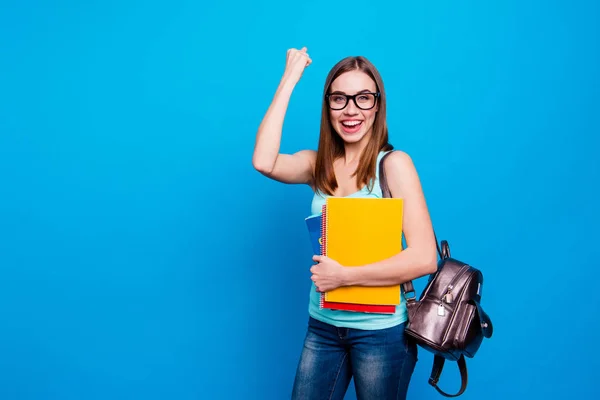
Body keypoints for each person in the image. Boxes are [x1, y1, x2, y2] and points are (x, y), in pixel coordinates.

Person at [252, 47, 438, 400]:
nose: (351, 109)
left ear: (377, 106)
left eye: (363, 98)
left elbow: (424, 258)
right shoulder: (317, 165)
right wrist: (290, 79)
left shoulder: (394, 165)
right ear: (328, 106)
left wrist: (344, 276)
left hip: (381, 334)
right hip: (323, 328)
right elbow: (263, 161)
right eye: (339, 99)